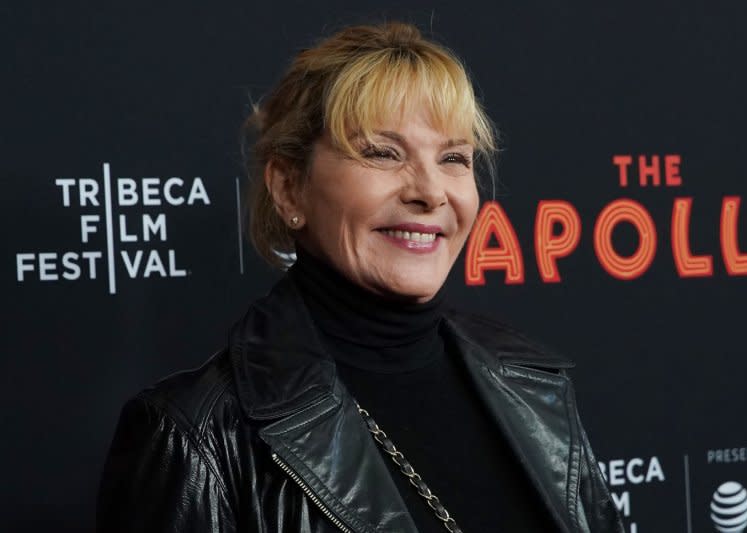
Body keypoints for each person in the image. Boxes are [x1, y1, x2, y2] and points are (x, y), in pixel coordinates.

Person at [97, 22, 623, 533]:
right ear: (288, 189)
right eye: (383, 153)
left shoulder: (535, 387)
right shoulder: (195, 438)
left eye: (454, 158)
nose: (431, 192)